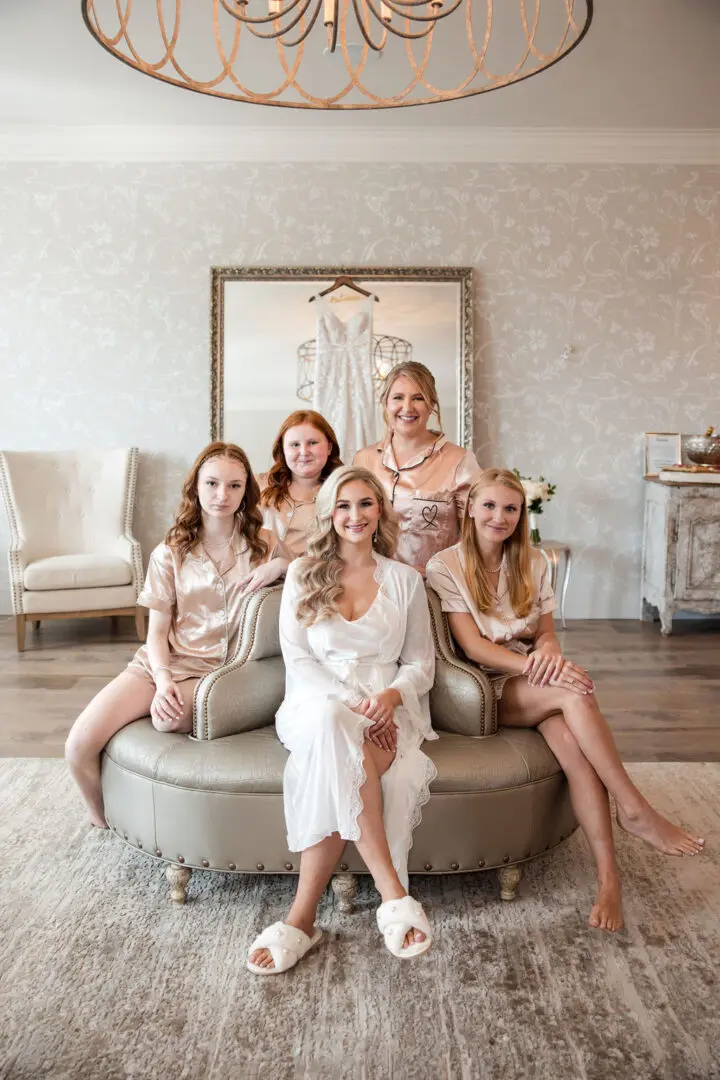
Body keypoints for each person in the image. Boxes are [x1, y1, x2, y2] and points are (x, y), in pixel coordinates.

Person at [426, 468, 705, 933]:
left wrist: (550, 654)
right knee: (575, 690)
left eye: (510, 508)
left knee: (575, 749)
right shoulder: (445, 566)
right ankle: (634, 807)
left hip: (530, 677)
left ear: (522, 514)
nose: (500, 516)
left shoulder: (533, 562)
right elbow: (473, 648)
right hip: (477, 688)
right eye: (490, 506)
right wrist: (543, 669)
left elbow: (547, 634)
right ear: (470, 508)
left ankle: (608, 879)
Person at [247, 465, 437, 975]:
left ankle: (301, 918)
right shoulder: (303, 575)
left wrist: (391, 698)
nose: (354, 516)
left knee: (334, 758)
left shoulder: (403, 581)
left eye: (365, 504)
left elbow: (421, 663)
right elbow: (299, 660)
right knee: (332, 722)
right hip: (314, 703)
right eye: (344, 506)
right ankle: (391, 895)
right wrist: (354, 703)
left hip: (387, 710)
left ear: (380, 512)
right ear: (329, 513)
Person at [65, 442, 290, 829]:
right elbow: (156, 631)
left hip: (224, 675)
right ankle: (102, 819)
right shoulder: (170, 551)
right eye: (212, 483)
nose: (222, 495)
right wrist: (163, 677)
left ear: (246, 492)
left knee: (166, 720)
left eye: (235, 486)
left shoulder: (265, 544)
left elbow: (313, 573)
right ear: (196, 487)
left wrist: (280, 565)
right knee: (78, 746)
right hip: (163, 663)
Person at [354, 360, 481, 573]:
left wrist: (437, 572)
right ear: (385, 402)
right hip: (371, 589)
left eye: (418, 398)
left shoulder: (460, 461)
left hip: (433, 590)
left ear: (431, 404)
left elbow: (477, 535)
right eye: (398, 398)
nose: (407, 407)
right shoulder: (363, 460)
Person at [259, 409, 343, 558]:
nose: (304, 452)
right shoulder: (259, 484)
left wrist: (285, 566)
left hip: (312, 578)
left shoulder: (342, 494)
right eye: (294, 445)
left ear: (329, 447)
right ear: (282, 450)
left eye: (312, 443)